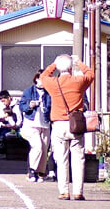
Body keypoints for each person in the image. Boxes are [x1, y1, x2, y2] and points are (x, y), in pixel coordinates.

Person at [40, 54, 95, 201]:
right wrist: (79, 62)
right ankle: (78, 191)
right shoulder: (78, 81)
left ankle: (64, 191)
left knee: (61, 159)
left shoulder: (52, 83)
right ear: (71, 68)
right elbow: (91, 74)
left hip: (58, 124)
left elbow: (43, 76)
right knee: (78, 158)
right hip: (75, 124)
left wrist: (53, 64)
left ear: (58, 68)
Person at [18, 72, 52, 182]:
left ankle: (40, 172)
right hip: (32, 124)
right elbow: (22, 106)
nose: (44, 82)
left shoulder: (49, 92)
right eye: (42, 79)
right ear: (36, 79)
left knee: (44, 148)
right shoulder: (29, 91)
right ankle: (31, 171)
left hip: (45, 124)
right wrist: (30, 105)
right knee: (37, 146)